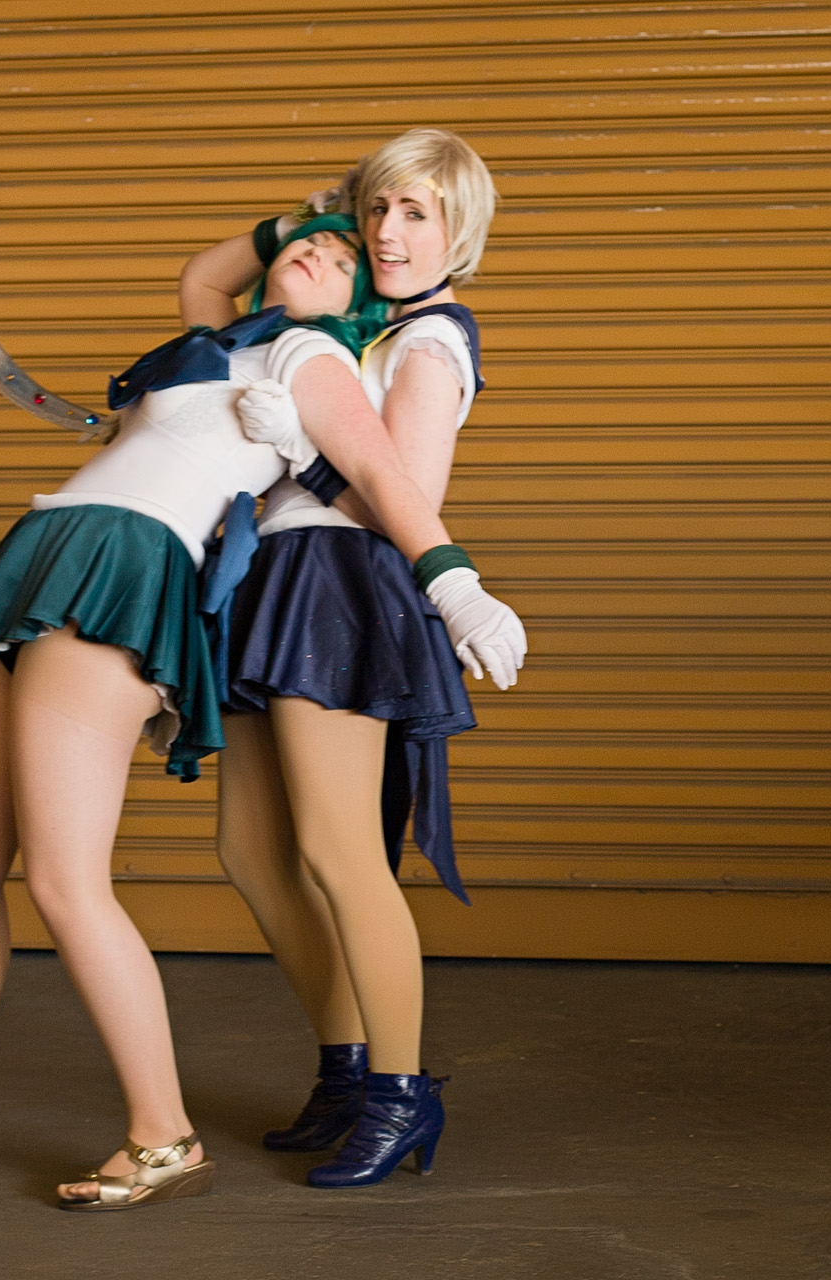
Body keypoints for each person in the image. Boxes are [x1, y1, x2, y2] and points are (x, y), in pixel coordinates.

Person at [0, 216, 447, 1210]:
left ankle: (164, 1137)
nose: (320, 254)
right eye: (311, 243)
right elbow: (206, 273)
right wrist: (294, 220)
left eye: (344, 259)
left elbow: (383, 476)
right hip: (55, 554)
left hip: (124, 569)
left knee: (64, 877)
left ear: (359, 306)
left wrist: (451, 576)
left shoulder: (311, 356)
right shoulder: (217, 340)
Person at [177, 128, 526, 1186]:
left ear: (462, 233)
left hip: (341, 583)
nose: (386, 232)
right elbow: (203, 285)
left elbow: (399, 494)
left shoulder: (431, 341)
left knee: (339, 853)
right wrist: (302, 225)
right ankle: (348, 1065)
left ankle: (403, 1093)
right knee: (250, 851)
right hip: (270, 576)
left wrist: (301, 447)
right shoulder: (349, 321)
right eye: (377, 208)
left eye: (416, 212)